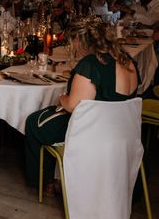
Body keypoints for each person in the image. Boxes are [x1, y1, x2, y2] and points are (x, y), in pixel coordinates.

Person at [24, 17, 139, 194]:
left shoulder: (91, 64)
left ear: (79, 40)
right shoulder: (126, 59)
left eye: (72, 42)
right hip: (123, 130)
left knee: (34, 122)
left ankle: (43, 182)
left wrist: (62, 98)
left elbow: (73, 106)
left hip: (95, 131)